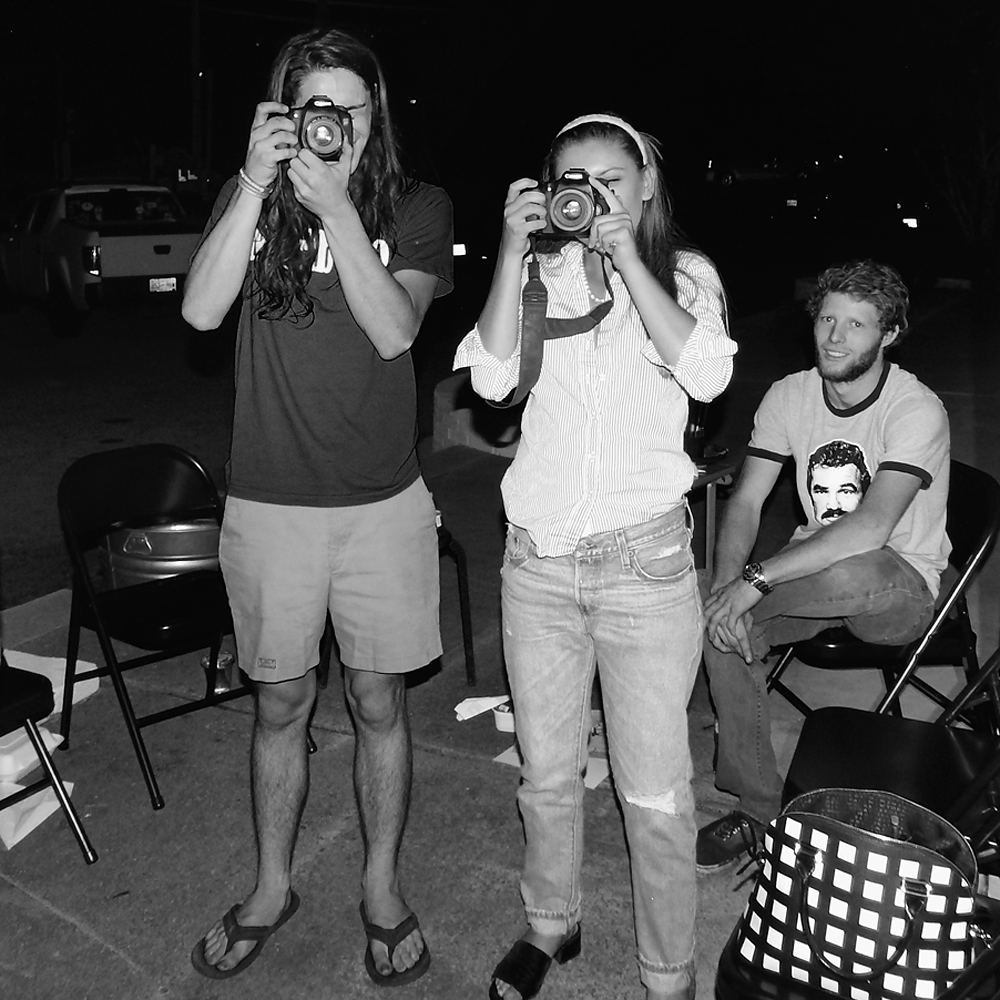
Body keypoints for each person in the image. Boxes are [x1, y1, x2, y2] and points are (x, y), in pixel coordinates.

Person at [183, 27, 453, 985]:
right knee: (280, 704)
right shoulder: (249, 197)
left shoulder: (417, 205)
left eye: (349, 105)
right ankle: (271, 887)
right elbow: (200, 312)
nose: (332, 122)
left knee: (379, 702)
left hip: (383, 502)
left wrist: (337, 209)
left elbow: (396, 331)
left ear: (375, 115)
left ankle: (380, 888)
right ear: (287, 114)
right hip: (269, 504)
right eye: (314, 106)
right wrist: (254, 185)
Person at [454, 114, 735, 1000]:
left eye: (610, 178)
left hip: (643, 567)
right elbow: (491, 383)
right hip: (537, 566)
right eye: (573, 179)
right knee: (546, 776)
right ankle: (551, 922)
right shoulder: (538, 275)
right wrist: (510, 250)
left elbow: (708, 374)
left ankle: (668, 974)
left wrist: (626, 259)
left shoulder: (683, 274)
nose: (591, 193)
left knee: (655, 794)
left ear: (645, 186)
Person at [697, 259, 950, 873]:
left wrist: (756, 581)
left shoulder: (915, 408)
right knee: (716, 614)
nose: (835, 337)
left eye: (857, 325)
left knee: (842, 569)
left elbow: (870, 528)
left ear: (890, 334)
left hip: (896, 587)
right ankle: (760, 811)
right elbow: (747, 501)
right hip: (812, 575)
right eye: (827, 319)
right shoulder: (790, 395)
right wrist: (729, 586)